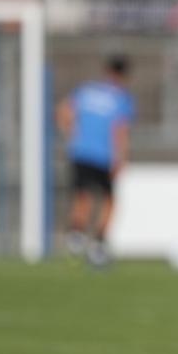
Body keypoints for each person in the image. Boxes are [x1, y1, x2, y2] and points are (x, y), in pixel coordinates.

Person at [58, 55, 134, 267]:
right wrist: (120, 157)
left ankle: (76, 236)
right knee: (109, 200)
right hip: (104, 154)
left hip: (80, 151)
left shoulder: (86, 90)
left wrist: (71, 134)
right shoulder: (121, 97)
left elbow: (63, 111)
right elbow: (119, 130)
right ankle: (100, 241)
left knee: (82, 194)